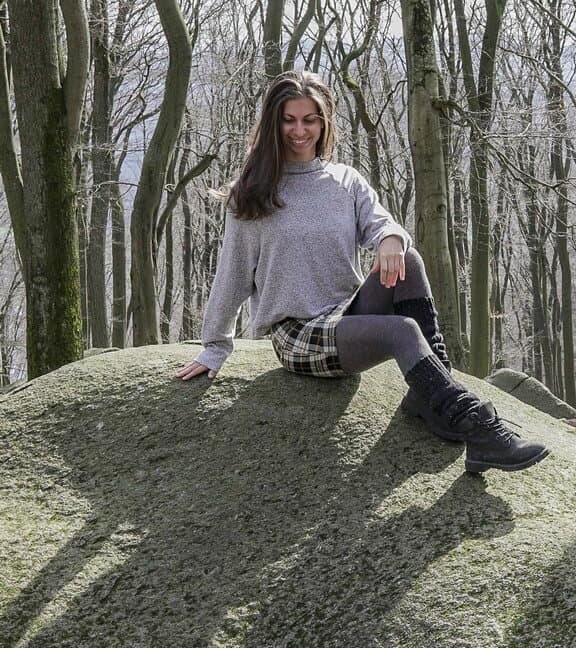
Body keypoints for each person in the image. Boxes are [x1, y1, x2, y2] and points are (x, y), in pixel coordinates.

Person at [175, 70, 549, 473]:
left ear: (324, 122)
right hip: (298, 334)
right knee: (402, 330)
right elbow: (231, 275)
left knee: (408, 259)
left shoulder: (345, 181)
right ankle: (475, 427)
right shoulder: (252, 195)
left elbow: (384, 225)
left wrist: (391, 238)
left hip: (347, 312)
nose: (300, 131)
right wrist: (215, 346)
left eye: (310, 119)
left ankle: (429, 394)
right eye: (289, 119)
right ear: (273, 122)